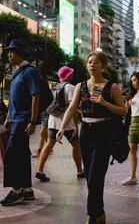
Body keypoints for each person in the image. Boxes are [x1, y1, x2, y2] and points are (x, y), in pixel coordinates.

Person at [57, 51, 126, 224]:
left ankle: (93, 216)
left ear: (102, 66)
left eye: (96, 62)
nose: (92, 65)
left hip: (104, 132)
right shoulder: (81, 86)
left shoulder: (112, 87)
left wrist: (104, 103)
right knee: (90, 176)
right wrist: (62, 127)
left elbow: (123, 110)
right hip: (86, 131)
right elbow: (72, 108)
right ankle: (100, 212)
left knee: (96, 175)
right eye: (89, 62)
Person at [0, 39, 41, 207]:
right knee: (22, 155)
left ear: (20, 53)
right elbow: (13, 98)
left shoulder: (30, 71)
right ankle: (27, 190)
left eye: (12, 51)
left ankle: (16, 191)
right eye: (9, 51)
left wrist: (32, 121)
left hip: (23, 120)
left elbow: (35, 96)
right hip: (15, 118)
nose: (9, 54)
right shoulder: (17, 72)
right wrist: (8, 117)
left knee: (12, 154)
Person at [35, 66, 84, 182]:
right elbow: (73, 108)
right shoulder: (71, 88)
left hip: (53, 120)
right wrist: (76, 125)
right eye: (71, 73)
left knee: (48, 146)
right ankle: (79, 171)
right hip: (67, 123)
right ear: (68, 75)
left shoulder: (55, 87)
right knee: (76, 146)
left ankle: (39, 170)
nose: (72, 75)